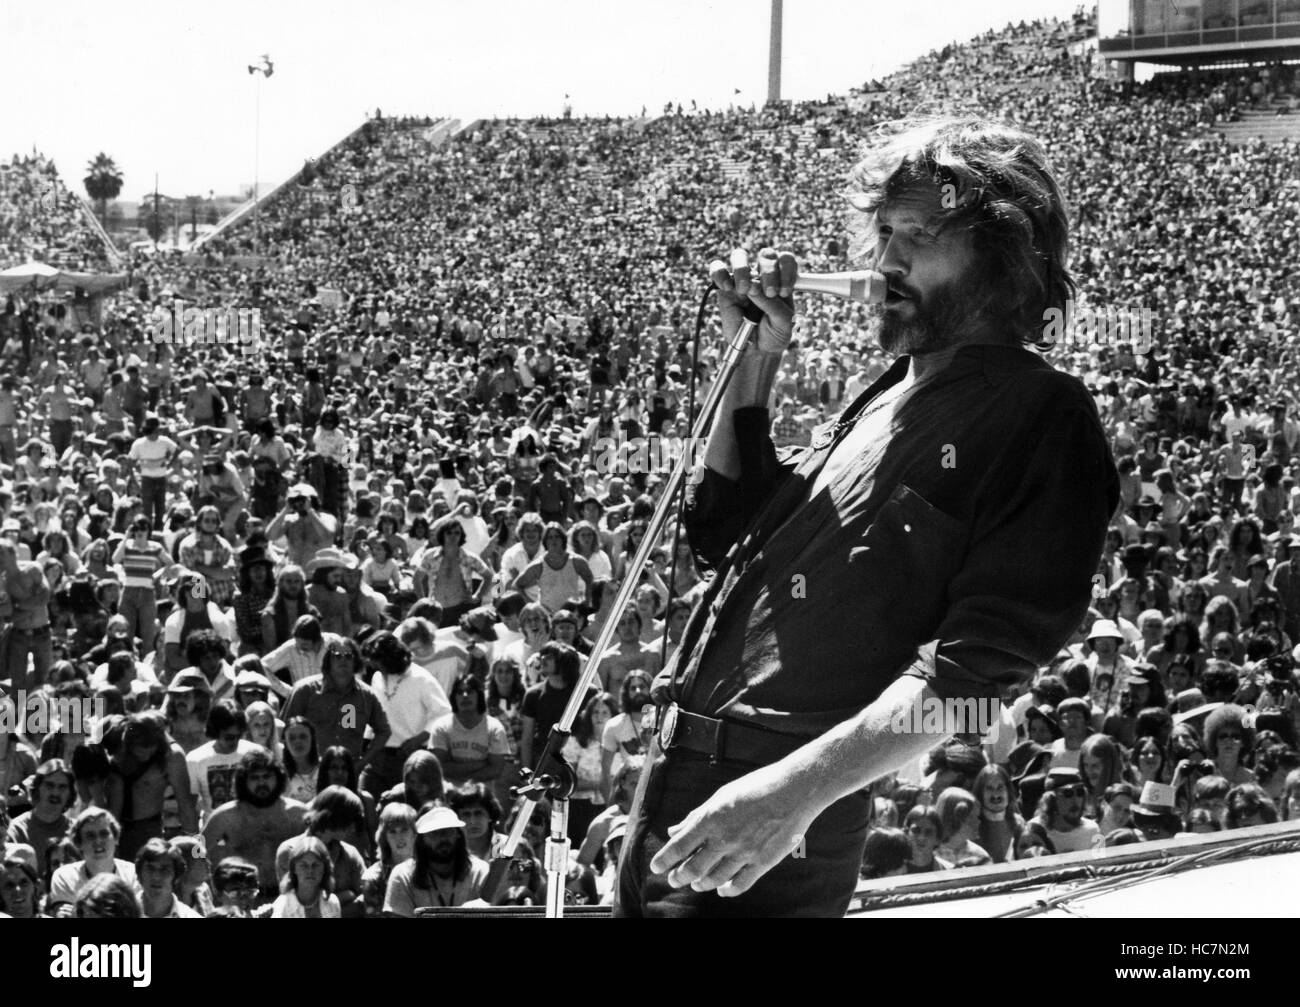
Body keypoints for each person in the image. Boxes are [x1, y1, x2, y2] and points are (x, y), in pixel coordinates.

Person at [616, 118, 1117, 918]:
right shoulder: (887, 390)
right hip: (675, 801)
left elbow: (974, 685)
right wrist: (755, 354)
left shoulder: (1043, 415)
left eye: (918, 235)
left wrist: (793, 793)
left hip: (773, 831)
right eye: (883, 231)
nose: (886, 260)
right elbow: (725, 533)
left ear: (1002, 254)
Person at [202, 748, 308, 896]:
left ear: (278, 778)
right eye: (254, 778)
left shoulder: (298, 814)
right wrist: (205, 883)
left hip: (288, 896)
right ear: (243, 781)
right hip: (242, 898)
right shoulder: (225, 816)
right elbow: (197, 849)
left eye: (267, 776)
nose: (261, 782)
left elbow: (321, 851)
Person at [359, 630, 451, 799]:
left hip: (407, 757)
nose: (374, 666)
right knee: (367, 800)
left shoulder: (421, 678)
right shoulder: (377, 678)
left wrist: (417, 740)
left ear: (391, 658)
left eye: (378, 662)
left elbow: (443, 713)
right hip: (377, 755)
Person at [283, 635, 391, 766]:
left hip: (347, 772)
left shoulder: (366, 695)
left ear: (355, 661)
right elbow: (284, 729)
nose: (343, 660)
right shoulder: (305, 690)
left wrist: (362, 762)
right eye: (337, 656)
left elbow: (384, 731)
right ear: (329, 660)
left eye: (348, 656)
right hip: (311, 771)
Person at [382, 804, 489, 915]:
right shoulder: (403, 876)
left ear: (458, 834)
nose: (442, 838)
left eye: (447, 831)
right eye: (434, 833)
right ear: (422, 839)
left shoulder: (480, 871)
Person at [46, 808, 138, 912]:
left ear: (116, 838)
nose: (98, 841)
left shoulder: (133, 874)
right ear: (79, 843)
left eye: (104, 834)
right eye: (90, 836)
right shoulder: (64, 877)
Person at [185, 699, 261, 822]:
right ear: (215, 731)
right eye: (229, 737)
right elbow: (191, 805)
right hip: (215, 830)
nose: (235, 741)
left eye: (239, 736)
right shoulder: (195, 759)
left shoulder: (256, 753)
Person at [429, 675, 509, 787]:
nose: (464, 696)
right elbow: (439, 766)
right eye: (460, 692)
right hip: (450, 795)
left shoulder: (494, 728)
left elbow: (496, 769)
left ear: (479, 696)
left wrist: (466, 782)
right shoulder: (441, 727)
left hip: (483, 796)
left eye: (469, 691)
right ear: (454, 697)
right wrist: (478, 765)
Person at [5, 758, 74, 876]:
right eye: (49, 785)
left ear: (70, 793)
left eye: (62, 787)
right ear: (37, 788)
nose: (55, 793)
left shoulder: (76, 830)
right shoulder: (18, 830)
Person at [360, 801, 417, 917]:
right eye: (392, 832)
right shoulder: (373, 878)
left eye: (404, 830)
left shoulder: (430, 869)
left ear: (415, 833)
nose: (399, 837)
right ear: (384, 837)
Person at [271, 835, 341, 918]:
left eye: (315, 865)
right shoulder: (283, 905)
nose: (310, 871)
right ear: (294, 869)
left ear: (325, 869)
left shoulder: (332, 903)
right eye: (304, 865)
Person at [1037, 768, 1102, 854]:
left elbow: (1101, 864)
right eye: (1068, 793)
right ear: (1051, 799)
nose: (1075, 800)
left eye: (1080, 792)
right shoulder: (1036, 831)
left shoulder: (1093, 830)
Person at [135, 837, 202, 918]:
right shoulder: (121, 912)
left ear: (176, 876)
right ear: (140, 873)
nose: (156, 877)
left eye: (164, 870)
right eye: (150, 868)